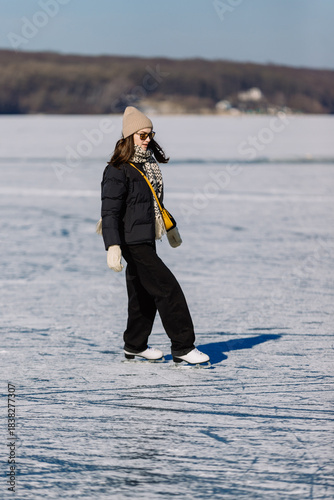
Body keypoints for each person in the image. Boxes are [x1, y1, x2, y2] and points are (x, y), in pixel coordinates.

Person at [100, 106, 209, 365]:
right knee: (167, 289)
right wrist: (113, 245)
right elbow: (110, 211)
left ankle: (135, 345)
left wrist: (169, 228)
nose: (147, 139)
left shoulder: (147, 164)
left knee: (143, 293)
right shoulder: (118, 169)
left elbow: (149, 204)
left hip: (146, 237)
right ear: (129, 137)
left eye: (150, 134)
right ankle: (183, 347)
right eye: (141, 135)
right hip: (132, 241)